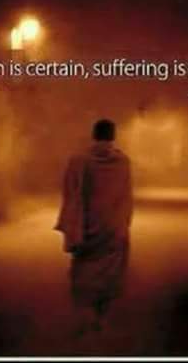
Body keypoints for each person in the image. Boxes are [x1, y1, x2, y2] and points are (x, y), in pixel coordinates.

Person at [55, 119, 133, 336]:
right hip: (113, 228)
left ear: (94, 135)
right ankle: (101, 315)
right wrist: (124, 223)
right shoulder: (123, 162)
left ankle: (85, 316)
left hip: (87, 228)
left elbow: (70, 195)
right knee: (110, 273)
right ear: (113, 136)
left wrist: (71, 226)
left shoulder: (78, 161)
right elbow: (126, 197)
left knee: (82, 270)